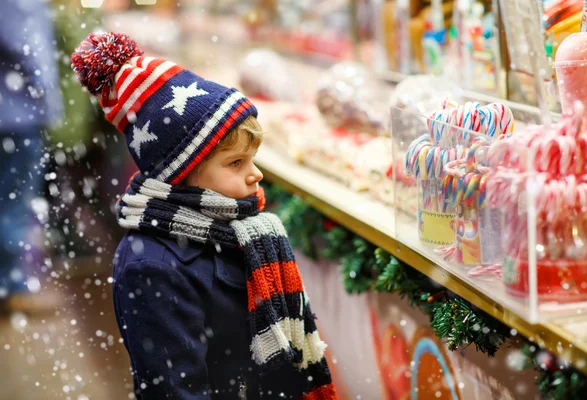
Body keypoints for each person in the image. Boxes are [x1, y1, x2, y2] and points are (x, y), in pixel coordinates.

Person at [71, 32, 338, 400]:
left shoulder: (238, 231)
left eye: (252, 158)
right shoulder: (150, 266)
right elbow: (176, 391)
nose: (255, 174)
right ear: (182, 174)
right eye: (235, 163)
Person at [0, 0, 63, 311]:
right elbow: (22, 42)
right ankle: (11, 288)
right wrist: (46, 93)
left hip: (13, 110)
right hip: (16, 113)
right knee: (13, 202)